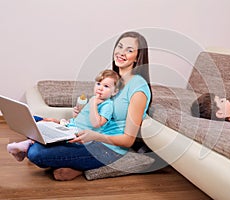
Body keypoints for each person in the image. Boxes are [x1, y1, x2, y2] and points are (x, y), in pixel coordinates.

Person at [7, 31, 152, 181]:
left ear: (138, 57)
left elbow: (128, 140)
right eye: (120, 47)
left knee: (36, 154)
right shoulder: (114, 80)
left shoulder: (138, 89)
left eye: (129, 50)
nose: (121, 53)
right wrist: (62, 123)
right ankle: (63, 156)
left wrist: (95, 136)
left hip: (106, 148)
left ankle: (74, 165)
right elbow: (94, 117)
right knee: (32, 120)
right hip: (86, 135)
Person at [7, 69, 120, 162]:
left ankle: (28, 144)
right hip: (70, 125)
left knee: (46, 131)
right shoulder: (93, 100)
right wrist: (74, 115)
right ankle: (32, 143)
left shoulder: (108, 105)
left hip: (79, 134)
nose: (100, 88)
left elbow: (97, 124)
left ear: (114, 92)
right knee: (35, 119)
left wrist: (93, 104)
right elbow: (82, 119)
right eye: (98, 84)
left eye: (106, 86)